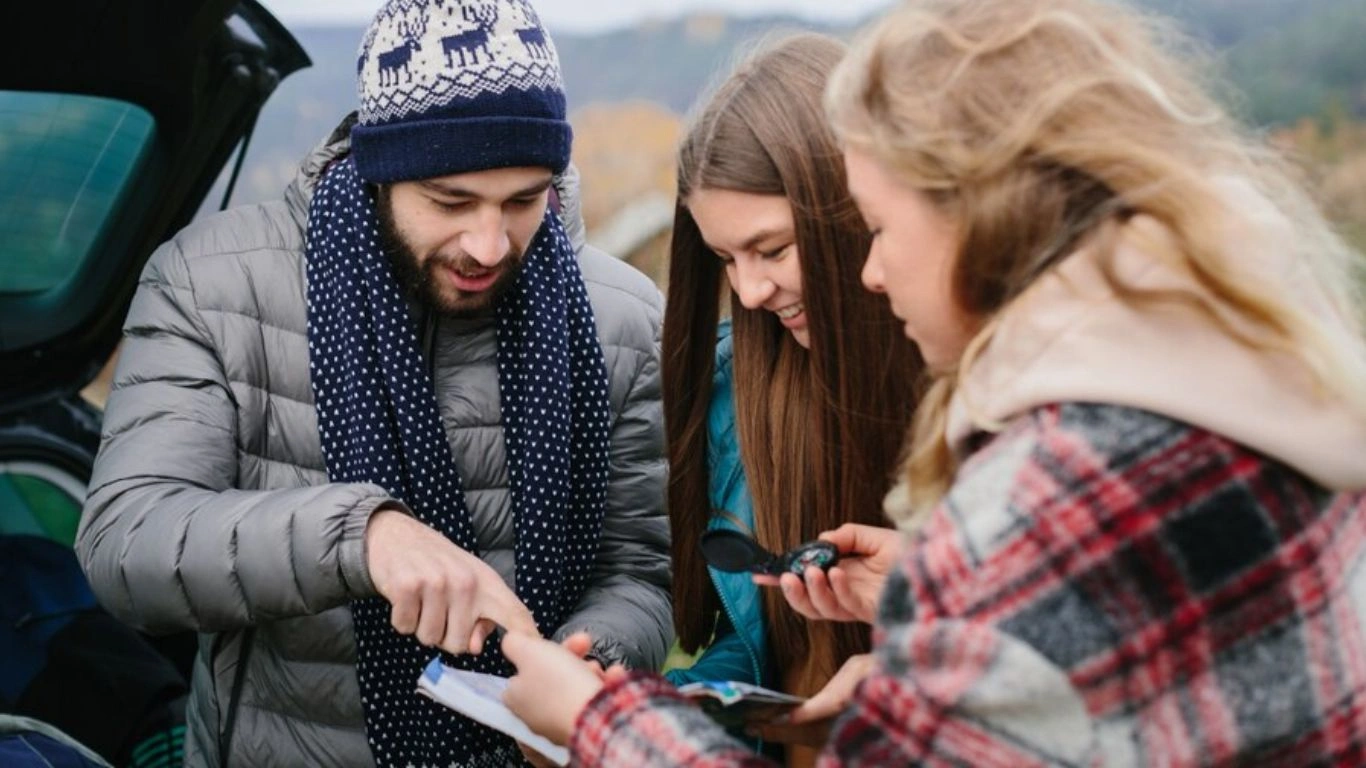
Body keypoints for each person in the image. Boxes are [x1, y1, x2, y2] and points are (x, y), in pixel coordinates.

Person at [498, 0, 1366, 764]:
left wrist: (601, 725)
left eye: (877, 225)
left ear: (978, 215)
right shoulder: (1235, 381)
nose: (873, 269)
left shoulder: (1048, 490)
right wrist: (932, 632)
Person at [74, 0, 672, 764]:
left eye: (524, 201)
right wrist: (360, 537)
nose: (489, 243)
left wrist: (596, 663)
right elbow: (127, 544)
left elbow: (642, 572)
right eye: (451, 202)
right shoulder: (211, 283)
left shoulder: (619, 315)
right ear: (379, 168)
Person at [657, 33, 923, 761]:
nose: (750, 291)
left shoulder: (975, 386)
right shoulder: (733, 393)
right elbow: (759, 646)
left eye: (772, 250)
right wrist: (679, 708)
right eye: (725, 260)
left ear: (852, 208)